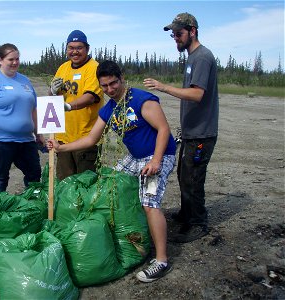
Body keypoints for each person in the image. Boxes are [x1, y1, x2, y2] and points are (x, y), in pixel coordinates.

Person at [47, 60, 177, 283]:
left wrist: (156, 160)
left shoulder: (141, 99)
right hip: (135, 158)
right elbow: (91, 138)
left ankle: (161, 260)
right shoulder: (109, 108)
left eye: (113, 84)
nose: (110, 90)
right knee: (109, 183)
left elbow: (164, 129)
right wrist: (61, 147)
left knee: (149, 202)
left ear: (122, 78)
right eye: (104, 86)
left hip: (160, 155)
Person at [143, 12, 219, 243]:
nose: (175, 37)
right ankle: (187, 214)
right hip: (191, 132)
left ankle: (198, 223)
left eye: (179, 33)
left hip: (202, 133)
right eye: (173, 34)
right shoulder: (192, 57)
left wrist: (163, 87)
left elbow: (197, 94)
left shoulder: (202, 57)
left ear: (192, 31)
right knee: (184, 174)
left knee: (193, 178)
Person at [0, 43, 44, 192]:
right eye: (11, 59)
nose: (15, 62)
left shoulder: (25, 80)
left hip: (26, 140)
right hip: (1, 141)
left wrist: (38, 134)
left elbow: (33, 108)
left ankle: (33, 207)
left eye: (17, 59)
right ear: (0, 60)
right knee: (0, 179)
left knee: (34, 175)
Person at [49, 30, 104, 181]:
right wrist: (52, 91)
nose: (75, 51)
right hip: (63, 137)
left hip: (86, 138)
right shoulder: (63, 68)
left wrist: (68, 106)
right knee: (65, 182)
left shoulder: (94, 68)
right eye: (71, 48)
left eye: (79, 47)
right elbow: (52, 97)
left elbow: (90, 97)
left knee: (86, 183)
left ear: (87, 48)